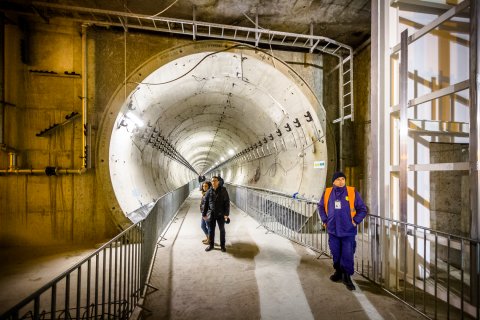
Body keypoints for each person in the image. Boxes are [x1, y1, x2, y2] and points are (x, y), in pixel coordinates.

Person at [318, 171, 367, 290]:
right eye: (338, 179)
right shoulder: (328, 192)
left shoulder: (352, 192)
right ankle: (338, 272)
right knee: (335, 252)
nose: (341, 181)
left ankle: (347, 276)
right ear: (333, 181)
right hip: (333, 230)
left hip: (348, 230)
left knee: (347, 254)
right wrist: (325, 220)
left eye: (343, 179)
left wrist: (355, 221)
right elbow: (320, 206)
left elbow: (363, 209)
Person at [202, 176, 230, 252]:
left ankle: (222, 246)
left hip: (221, 213)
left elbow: (227, 202)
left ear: (218, 182)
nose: (213, 182)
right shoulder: (209, 191)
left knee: (222, 230)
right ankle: (211, 245)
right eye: (212, 181)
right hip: (212, 213)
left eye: (215, 181)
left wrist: (226, 214)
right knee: (211, 230)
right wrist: (204, 214)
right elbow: (206, 204)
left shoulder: (223, 190)